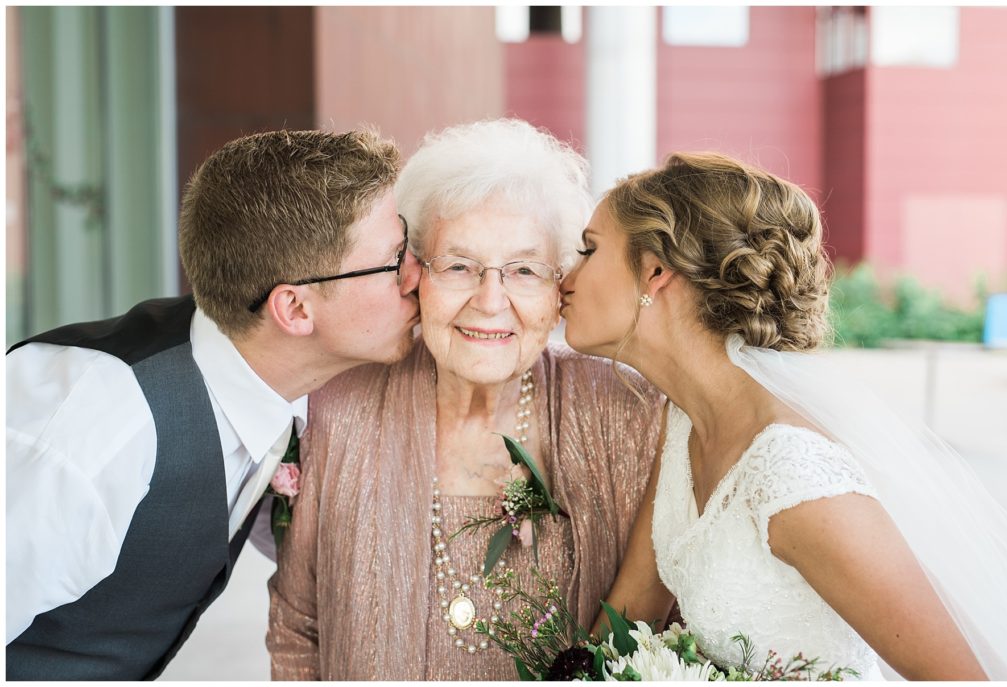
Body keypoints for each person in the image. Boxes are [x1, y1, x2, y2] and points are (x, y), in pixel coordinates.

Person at [560, 152, 1007, 680]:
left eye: (588, 251)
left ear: (655, 271)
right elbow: (629, 618)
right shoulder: (683, 421)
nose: (565, 279)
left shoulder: (792, 475)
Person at [5, 129, 422, 680]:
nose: (420, 273)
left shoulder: (275, 380)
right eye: (395, 259)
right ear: (294, 309)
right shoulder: (94, 433)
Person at [266, 119, 666, 680]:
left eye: (524, 270)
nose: (490, 301)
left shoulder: (624, 413)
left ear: (560, 289)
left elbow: (665, 633)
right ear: (415, 275)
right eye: (458, 266)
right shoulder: (338, 409)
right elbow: (297, 626)